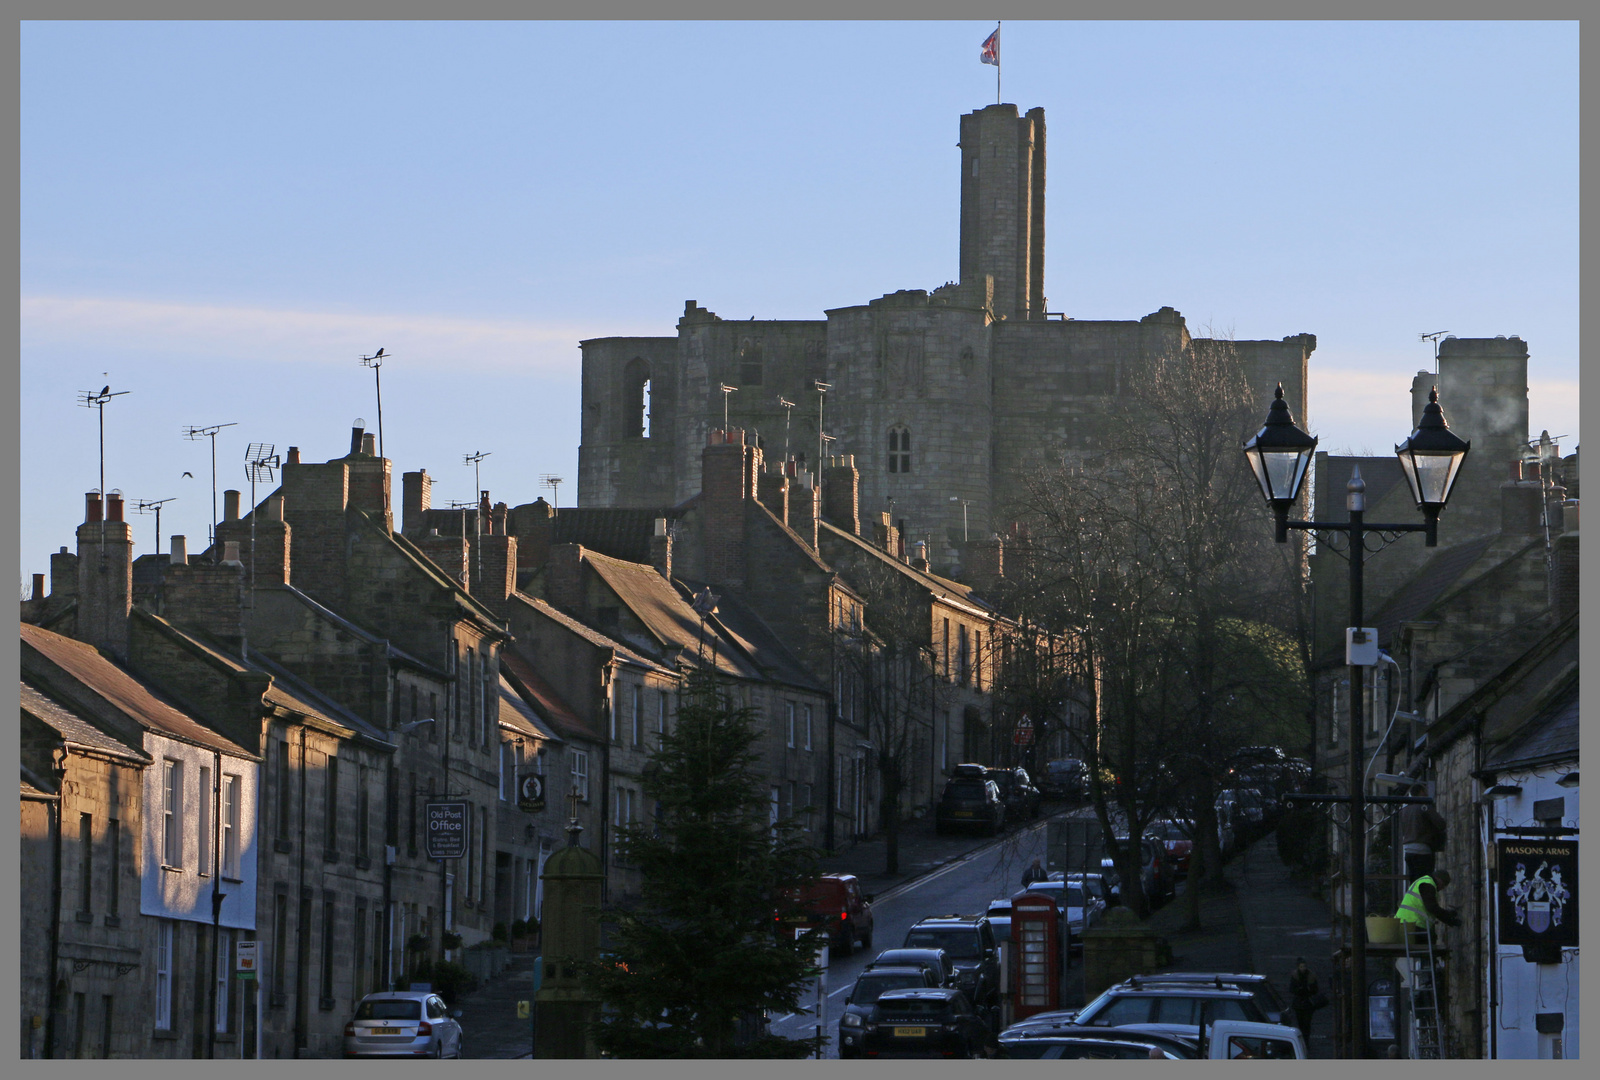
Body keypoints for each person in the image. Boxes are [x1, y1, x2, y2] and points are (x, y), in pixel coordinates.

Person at [1399, 786, 1447, 881]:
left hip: (1408, 850)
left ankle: (1414, 896)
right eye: (1425, 791)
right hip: (1422, 849)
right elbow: (1440, 824)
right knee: (1425, 880)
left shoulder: (1405, 810)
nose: (1427, 794)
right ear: (1421, 792)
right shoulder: (1424, 807)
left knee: (1414, 881)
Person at [1395, 869, 1462, 935]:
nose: (1442, 888)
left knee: (1431, 938)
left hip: (1403, 924)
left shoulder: (1423, 881)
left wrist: (1448, 915)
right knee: (1431, 938)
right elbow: (1432, 908)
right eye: (1443, 885)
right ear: (1440, 880)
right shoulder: (1428, 885)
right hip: (1412, 925)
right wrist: (1450, 920)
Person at [1288, 957, 1320, 1044]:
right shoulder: (1295, 976)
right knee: (1301, 1023)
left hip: (1307, 1002)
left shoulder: (1310, 976)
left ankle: (1305, 1040)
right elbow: (1292, 989)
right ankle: (1304, 1040)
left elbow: (1315, 989)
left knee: (1306, 1023)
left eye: (1304, 966)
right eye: (1301, 966)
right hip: (1300, 1002)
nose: (1303, 968)